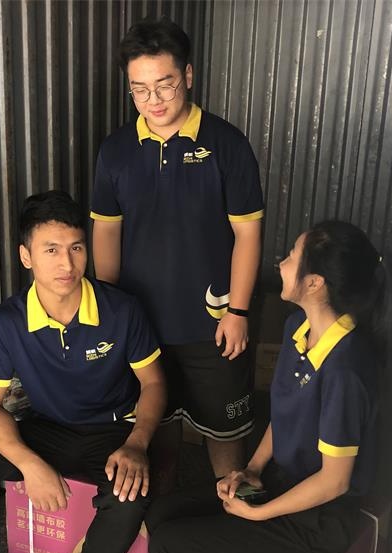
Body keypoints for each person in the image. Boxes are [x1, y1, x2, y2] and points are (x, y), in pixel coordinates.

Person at [145, 221, 392, 553]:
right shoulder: (297, 327)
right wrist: (250, 470)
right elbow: (283, 415)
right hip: (280, 483)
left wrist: (260, 513)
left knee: (169, 547)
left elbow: (335, 482)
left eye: (292, 257)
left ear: (314, 283)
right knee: (161, 515)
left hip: (316, 522)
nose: (281, 263)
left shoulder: (345, 369)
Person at [0, 191, 166, 553]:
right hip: (46, 429)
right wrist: (30, 464)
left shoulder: (121, 310)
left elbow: (154, 383)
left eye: (76, 248)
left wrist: (138, 442)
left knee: (132, 493)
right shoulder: (6, 322)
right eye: (52, 249)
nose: (67, 264)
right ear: (26, 256)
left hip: (112, 430)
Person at [91, 17, 264, 478]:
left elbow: (248, 233)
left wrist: (239, 311)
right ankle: (163, 517)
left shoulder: (227, 144)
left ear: (187, 75)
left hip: (215, 324)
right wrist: (110, 309)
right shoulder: (116, 151)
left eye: (165, 85)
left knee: (226, 437)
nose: (154, 100)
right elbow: (106, 231)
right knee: (154, 435)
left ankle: (232, 512)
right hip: (142, 325)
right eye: (140, 89)